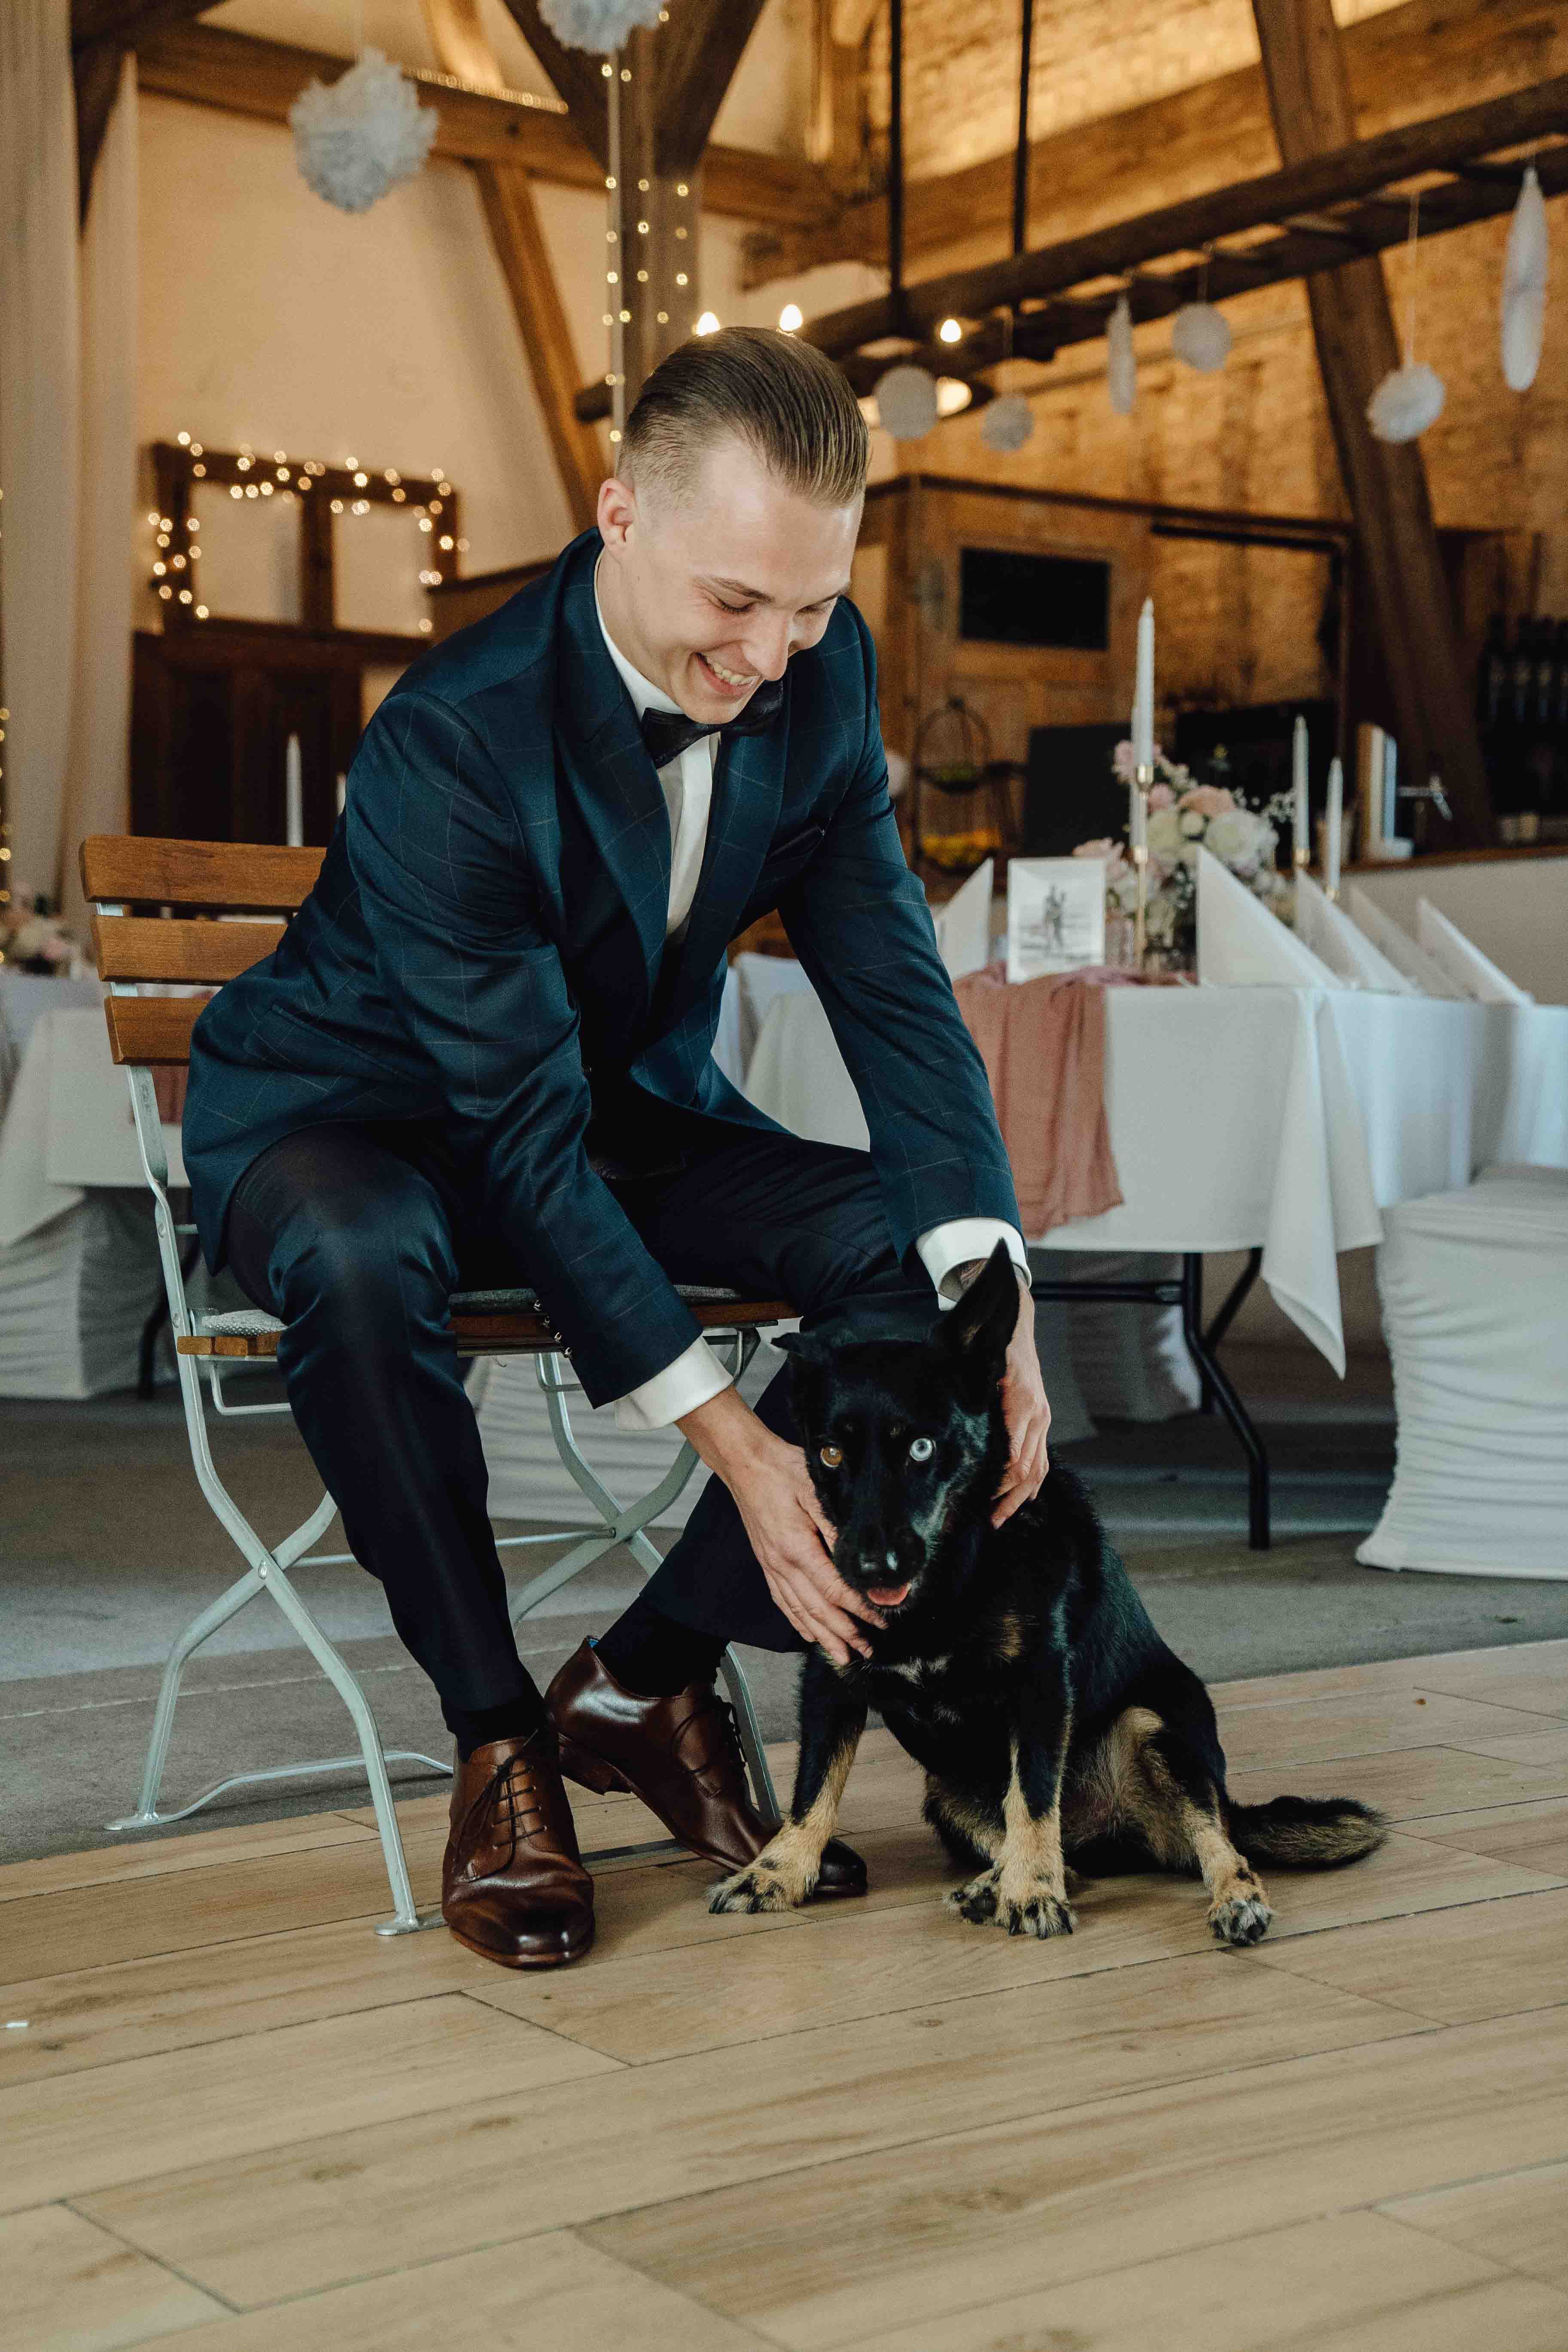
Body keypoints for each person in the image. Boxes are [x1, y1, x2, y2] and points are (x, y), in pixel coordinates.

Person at [182, 326, 1050, 1971]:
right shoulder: (457, 731)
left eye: (809, 607)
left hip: (606, 1118)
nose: (775, 656)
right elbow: (508, 1130)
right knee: (367, 1262)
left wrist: (991, 1294)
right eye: (737, 604)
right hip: (344, 1122)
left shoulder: (822, 664)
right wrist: (733, 1437)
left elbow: (893, 989)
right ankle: (501, 1736)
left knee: (892, 1246)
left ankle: (644, 1685)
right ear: (618, 516)